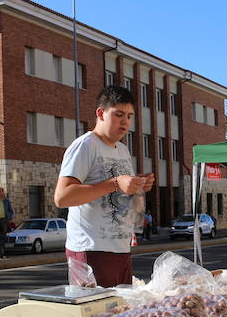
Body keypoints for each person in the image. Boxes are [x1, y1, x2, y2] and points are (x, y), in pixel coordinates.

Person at [55, 86, 155, 287]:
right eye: (118, 115)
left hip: (121, 248)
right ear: (100, 113)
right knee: (96, 316)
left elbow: (119, 191)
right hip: (91, 249)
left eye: (129, 116)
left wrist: (137, 185)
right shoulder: (84, 145)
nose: (125, 121)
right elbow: (62, 196)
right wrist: (116, 183)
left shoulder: (123, 150)